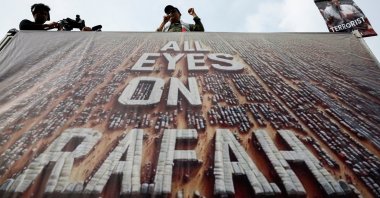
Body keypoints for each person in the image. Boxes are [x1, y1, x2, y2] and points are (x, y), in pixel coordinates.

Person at [19, 3, 92, 31]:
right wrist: (48, 26)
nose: (43, 15)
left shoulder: (48, 32)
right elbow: (24, 26)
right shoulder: (25, 23)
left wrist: (83, 30)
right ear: (33, 14)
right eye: (40, 13)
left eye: (45, 14)